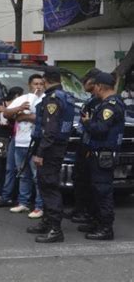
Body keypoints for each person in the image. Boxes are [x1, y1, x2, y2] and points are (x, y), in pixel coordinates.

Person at [27, 67, 75, 243]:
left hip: (50, 149)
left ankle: (55, 229)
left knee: (48, 187)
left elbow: (50, 130)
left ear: (46, 80)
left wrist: (40, 152)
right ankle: (47, 222)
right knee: (44, 184)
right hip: (56, 147)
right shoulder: (66, 97)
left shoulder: (53, 99)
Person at [79, 72, 125, 240]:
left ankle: (105, 228)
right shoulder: (108, 103)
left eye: (95, 87)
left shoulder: (109, 106)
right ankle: (97, 222)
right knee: (96, 190)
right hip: (99, 153)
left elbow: (100, 129)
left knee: (102, 191)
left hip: (103, 155)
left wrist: (87, 122)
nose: (94, 91)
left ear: (99, 86)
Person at [4, 74, 45, 219]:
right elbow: (6, 113)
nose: (38, 87)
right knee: (23, 174)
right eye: (35, 84)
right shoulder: (22, 98)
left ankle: (39, 206)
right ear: (30, 85)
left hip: (34, 143)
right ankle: (23, 202)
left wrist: (23, 116)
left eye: (41, 84)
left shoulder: (45, 99)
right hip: (20, 142)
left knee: (36, 176)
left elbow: (43, 117)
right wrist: (19, 109)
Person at [70, 68, 101, 224]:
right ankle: (80, 209)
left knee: (87, 180)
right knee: (79, 178)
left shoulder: (99, 101)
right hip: (84, 142)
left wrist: (86, 123)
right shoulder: (91, 99)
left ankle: (86, 212)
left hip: (91, 145)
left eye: (86, 81)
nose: (84, 84)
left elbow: (95, 125)